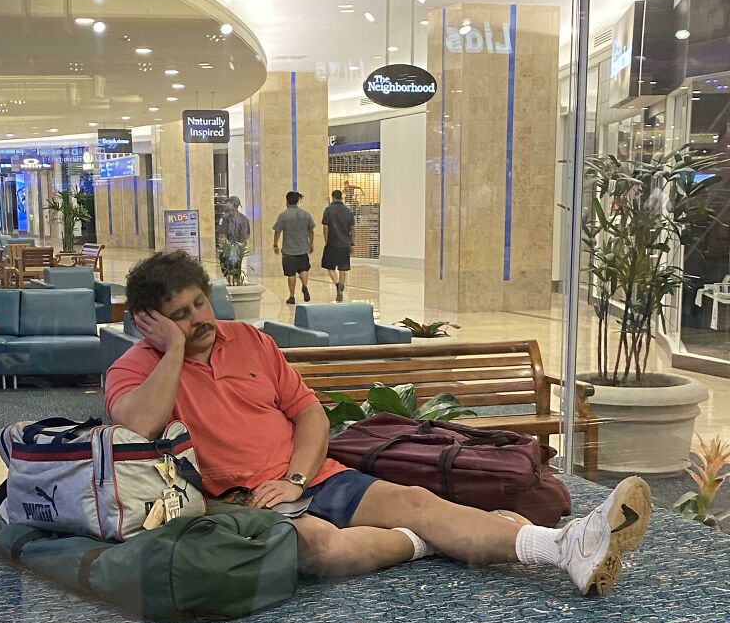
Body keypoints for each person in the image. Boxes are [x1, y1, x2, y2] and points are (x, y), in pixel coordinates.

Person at [106, 252, 653, 597]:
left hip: (309, 477)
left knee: (417, 501)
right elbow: (140, 428)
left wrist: (296, 478)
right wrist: (172, 350)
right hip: (238, 502)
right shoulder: (134, 370)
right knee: (325, 550)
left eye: (200, 304)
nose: (199, 320)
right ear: (146, 322)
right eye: (179, 315)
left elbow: (308, 413)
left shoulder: (249, 341)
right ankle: (442, 541)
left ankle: (565, 547)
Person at [272, 191, 314, 305]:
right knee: (304, 269)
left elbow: (277, 231)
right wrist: (311, 244)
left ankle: (292, 296)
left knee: (291, 274)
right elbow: (311, 231)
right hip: (303, 248)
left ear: (287, 201)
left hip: (289, 251)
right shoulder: (306, 214)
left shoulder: (284, 215)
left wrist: (275, 244)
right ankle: (304, 286)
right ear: (297, 201)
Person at [321, 189, 355, 302]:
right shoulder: (348, 212)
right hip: (345, 244)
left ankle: (337, 285)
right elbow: (352, 229)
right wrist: (352, 243)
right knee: (343, 268)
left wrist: (326, 240)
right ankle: (341, 285)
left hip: (332, 243)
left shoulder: (328, 210)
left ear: (333, 197)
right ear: (342, 197)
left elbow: (325, 227)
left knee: (330, 267)